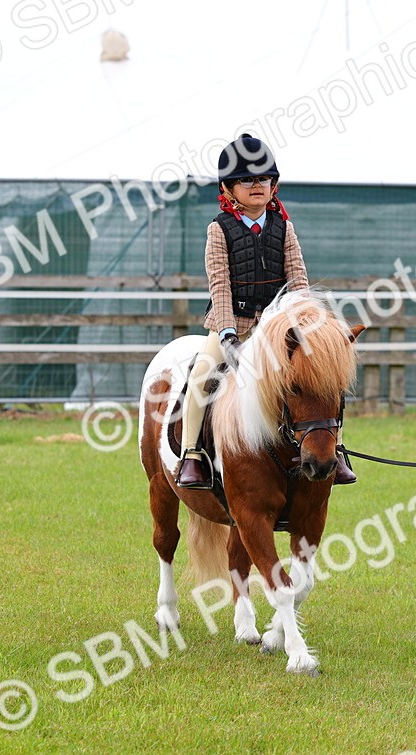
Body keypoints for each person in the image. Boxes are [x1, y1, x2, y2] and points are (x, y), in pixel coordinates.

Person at [176, 133, 357, 489]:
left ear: (273, 185)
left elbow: (298, 278)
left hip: (279, 330)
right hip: (235, 325)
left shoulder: (283, 227)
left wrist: (307, 324)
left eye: (263, 179)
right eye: (246, 179)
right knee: (201, 374)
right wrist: (227, 332)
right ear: (229, 188)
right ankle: (192, 455)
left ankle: (333, 448)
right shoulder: (219, 230)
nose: (256, 185)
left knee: (319, 378)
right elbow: (220, 286)